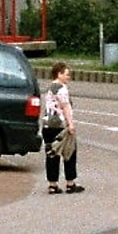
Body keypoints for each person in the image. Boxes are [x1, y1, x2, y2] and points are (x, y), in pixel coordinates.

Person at [42, 61, 81, 194]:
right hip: (60, 126)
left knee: (51, 154)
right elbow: (65, 107)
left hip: (47, 125)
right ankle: (70, 183)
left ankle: (52, 185)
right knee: (69, 152)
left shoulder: (49, 89)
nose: (68, 77)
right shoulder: (62, 89)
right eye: (66, 74)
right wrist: (71, 124)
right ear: (59, 74)